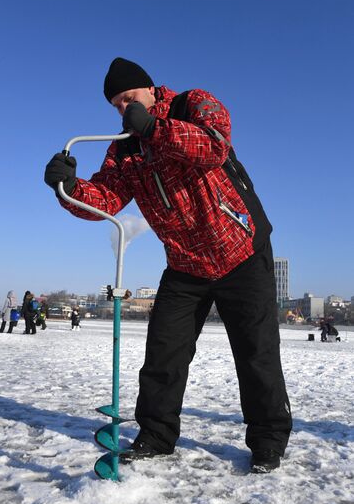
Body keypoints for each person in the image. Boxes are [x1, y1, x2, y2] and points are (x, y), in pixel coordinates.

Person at [44, 57, 292, 473]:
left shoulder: (193, 104)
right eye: (116, 105)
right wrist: (68, 189)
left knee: (256, 354)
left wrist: (154, 129)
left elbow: (213, 146)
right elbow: (105, 200)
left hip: (241, 252)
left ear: (149, 88)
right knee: (163, 355)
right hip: (185, 264)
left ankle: (267, 441)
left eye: (128, 99)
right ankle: (156, 436)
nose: (123, 110)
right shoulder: (123, 149)